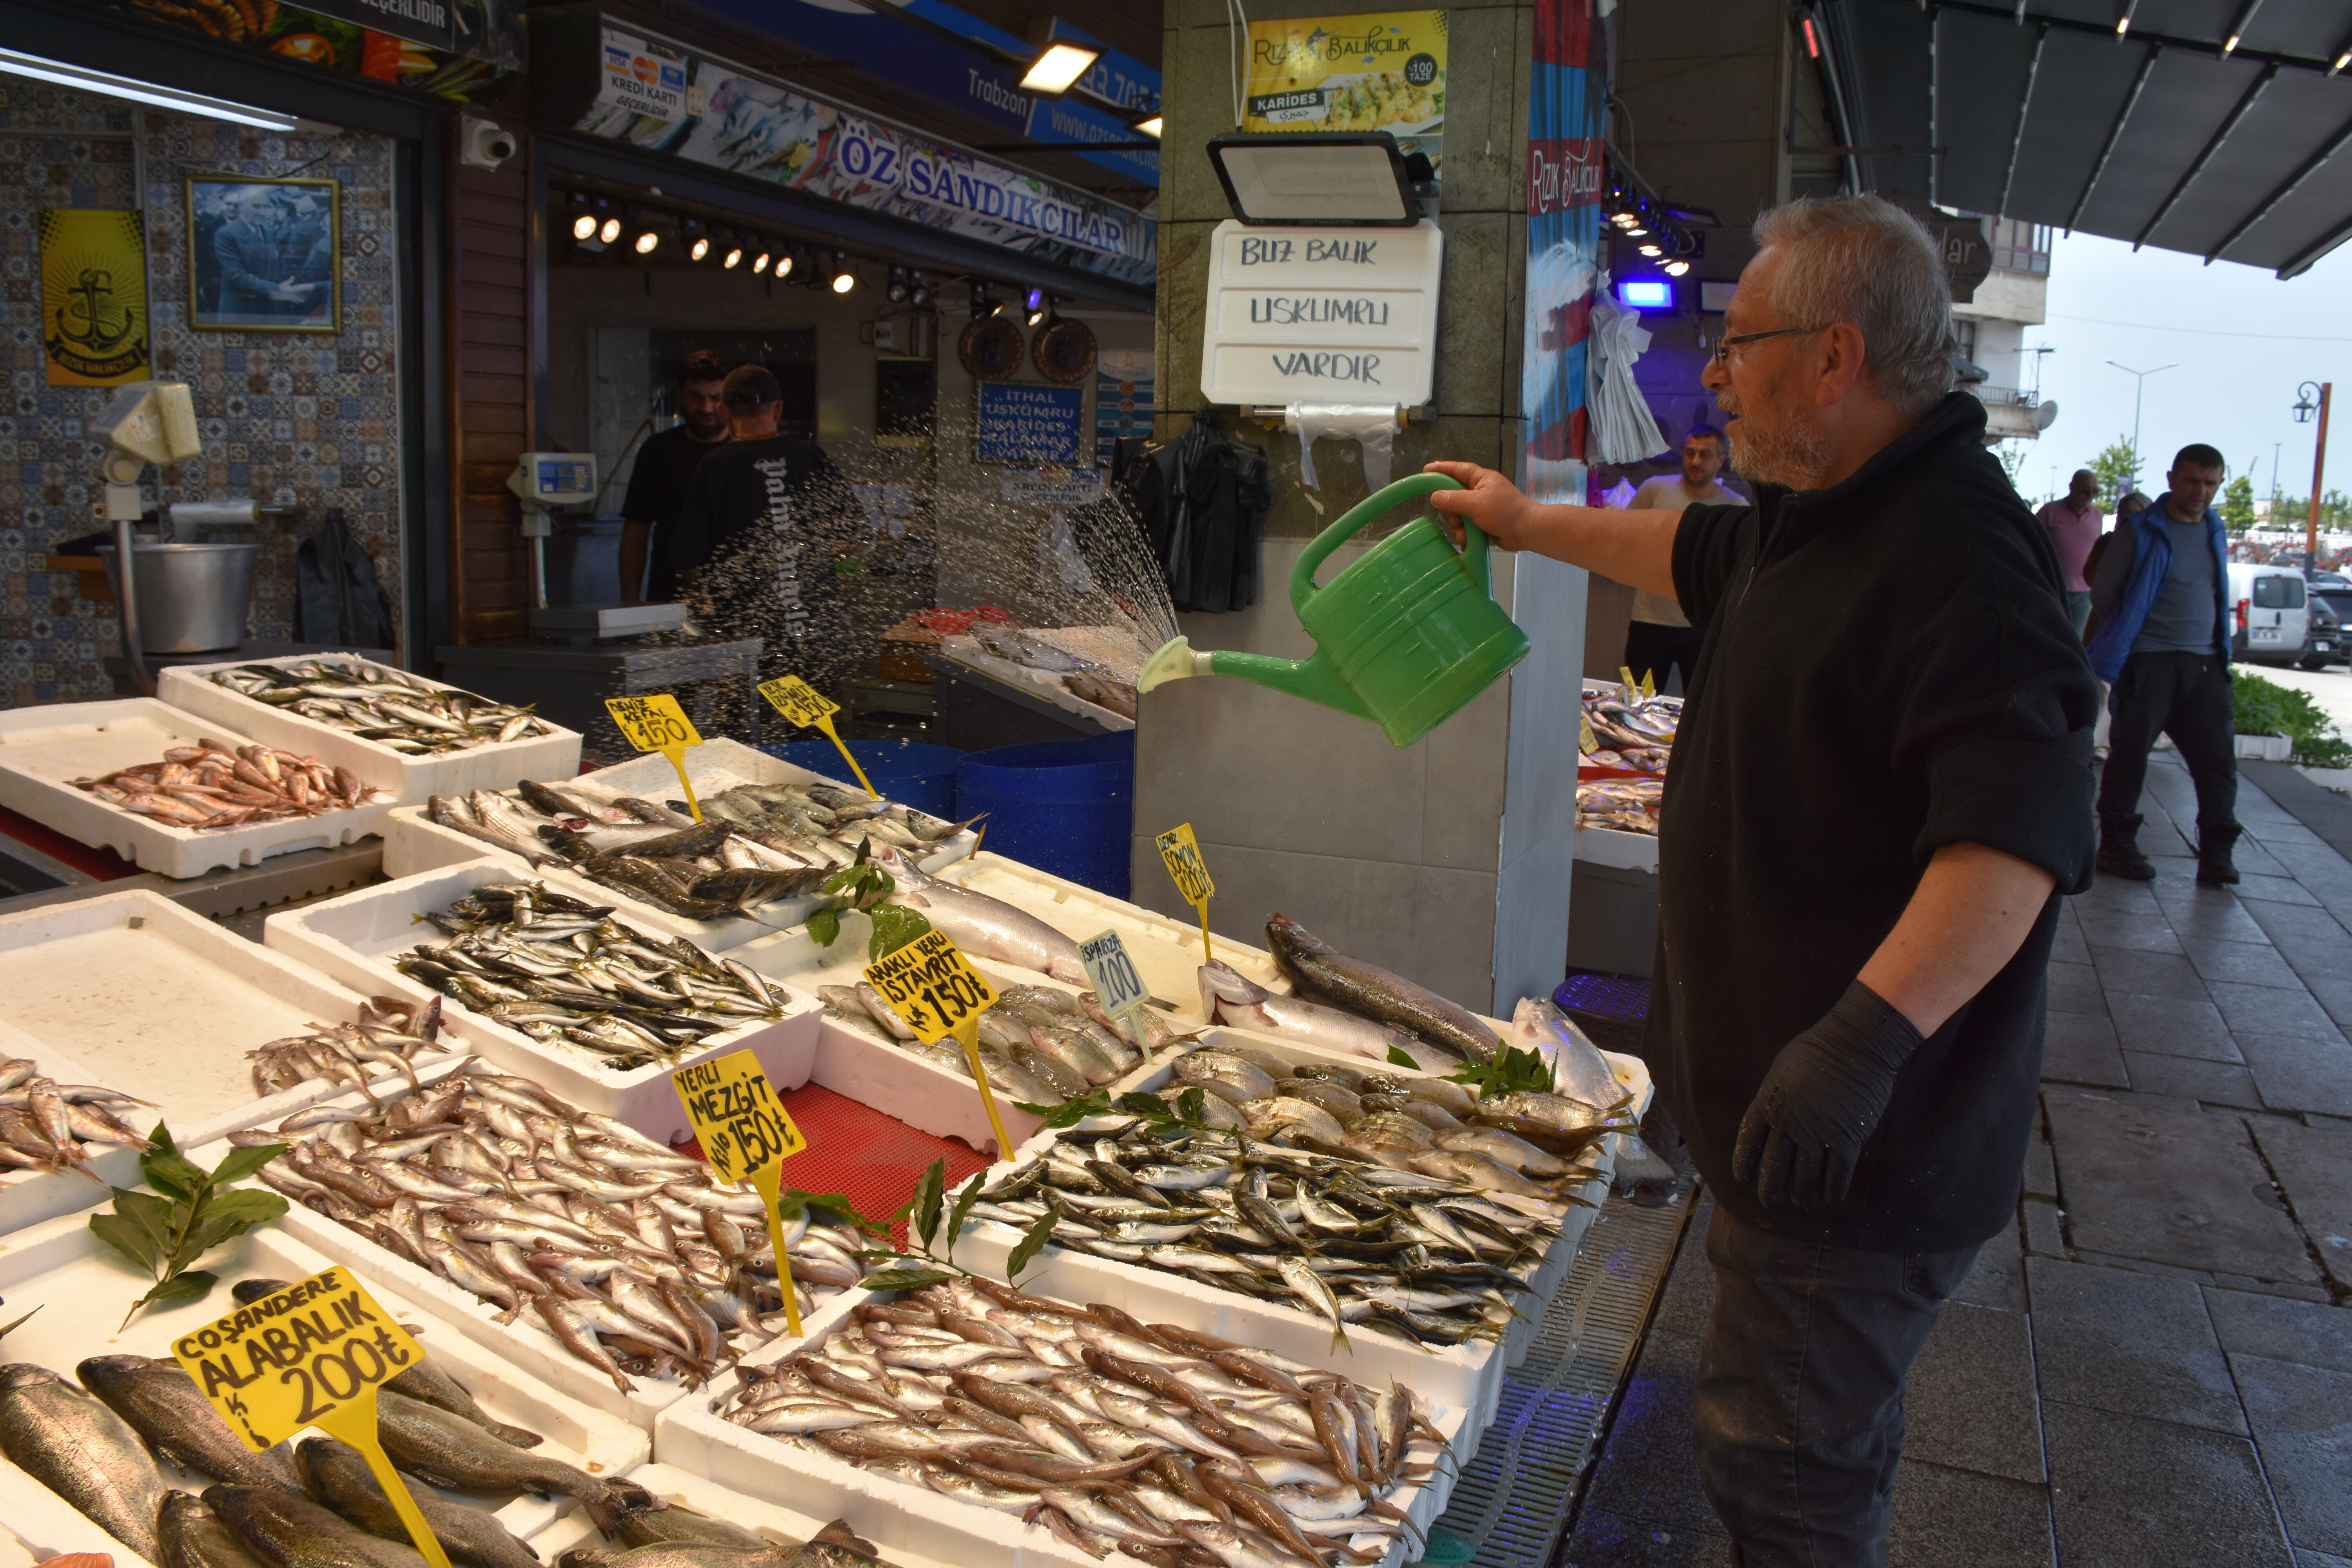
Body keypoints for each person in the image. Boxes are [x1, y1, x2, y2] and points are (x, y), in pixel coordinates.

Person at [1422, 194, 2096, 1567]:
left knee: (1781, 1470)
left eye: (1742, 343)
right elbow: (1682, 552)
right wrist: (1519, 520)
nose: (1717, 373)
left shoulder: (1965, 558)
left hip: (1858, 1150)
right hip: (1787, 1131)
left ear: (1835, 359)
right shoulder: (1821, 511)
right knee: (1814, 1438)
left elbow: (2016, 839)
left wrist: (1858, 1046)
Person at [2085, 446, 2238, 884]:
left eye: (2211, 483)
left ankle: (2217, 855)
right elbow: (2104, 594)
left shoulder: (2215, 528)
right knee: (2129, 757)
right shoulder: (2141, 530)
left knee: (2217, 764)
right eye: (2193, 481)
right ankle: (2116, 845)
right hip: (2149, 662)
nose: (2201, 491)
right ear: (2172, 479)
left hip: (2206, 665)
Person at [671, 363, 855, 699]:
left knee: (751, 740)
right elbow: (856, 536)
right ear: (779, 409)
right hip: (814, 633)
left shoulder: (716, 465)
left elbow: (688, 560)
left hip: (746, 641)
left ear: (724, 412)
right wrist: (806, 566)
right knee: (818, 734)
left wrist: (703, 609)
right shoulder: (810, 457)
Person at [1624, 424, 1744, 691]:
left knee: (1701, 709)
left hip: (1705, 628)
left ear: (1721, 460)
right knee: (1636, 705)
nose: (1696, 461)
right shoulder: (1655, 490)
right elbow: (1625, 538)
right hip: (1650, 622)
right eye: (1690, 453)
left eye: (1705, 455)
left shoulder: (1736, 508)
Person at [619, 350, 733, 604]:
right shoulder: (658, 451)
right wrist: (629, 603)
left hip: (737, 601)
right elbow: (637, 530)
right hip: (670, 597)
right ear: (681, 396)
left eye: (716, 398)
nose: (706, 408)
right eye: (696, 397)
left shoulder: (744, 453)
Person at [2039, 468, 2104, 635]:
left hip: (2084, 594)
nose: (2090, 496)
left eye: (2095, 491)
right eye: (2086, 490)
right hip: (2053, 588)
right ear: (2071, 487)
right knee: (2049, 634)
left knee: (2076, 641)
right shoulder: (2049, 512)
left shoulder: (2098, 516)